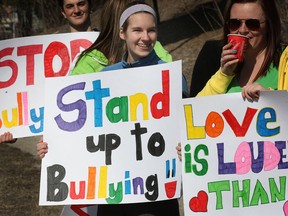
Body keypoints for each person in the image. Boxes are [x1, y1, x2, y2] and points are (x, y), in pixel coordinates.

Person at [97, 2, 183, 215]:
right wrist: (54, 148)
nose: (145, 37)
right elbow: (89, 134)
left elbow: (185, 128)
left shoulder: (172, 76)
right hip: (115, 195)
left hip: (158, 196)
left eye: (151, 30)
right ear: (122, 33)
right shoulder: (105, 77)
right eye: (137, 30)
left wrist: (186, 144)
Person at [177, 0, 286, 160]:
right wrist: (224, 74)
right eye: (234, 23)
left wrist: (271, 98)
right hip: (233, 179)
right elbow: (197, 115)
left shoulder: (285, 60)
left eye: (252, 24)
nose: (242, 30)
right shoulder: (216, 59)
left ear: (269, 24)